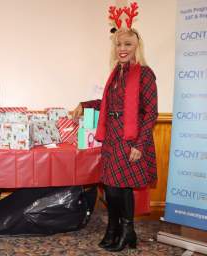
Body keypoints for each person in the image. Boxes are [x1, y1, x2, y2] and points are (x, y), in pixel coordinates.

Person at [72, 12, 158, 252]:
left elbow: (151, 113)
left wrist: (139, 145)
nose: (122, 48)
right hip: (112, 135)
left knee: (123, 187)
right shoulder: (116, 74)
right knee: (111, 187)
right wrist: (85, 104)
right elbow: (107, 104)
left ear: (136, 46)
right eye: (118, 44)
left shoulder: (145, 74)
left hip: (130, 137)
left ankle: (127, 231)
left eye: (127, 44)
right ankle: (114, 228)